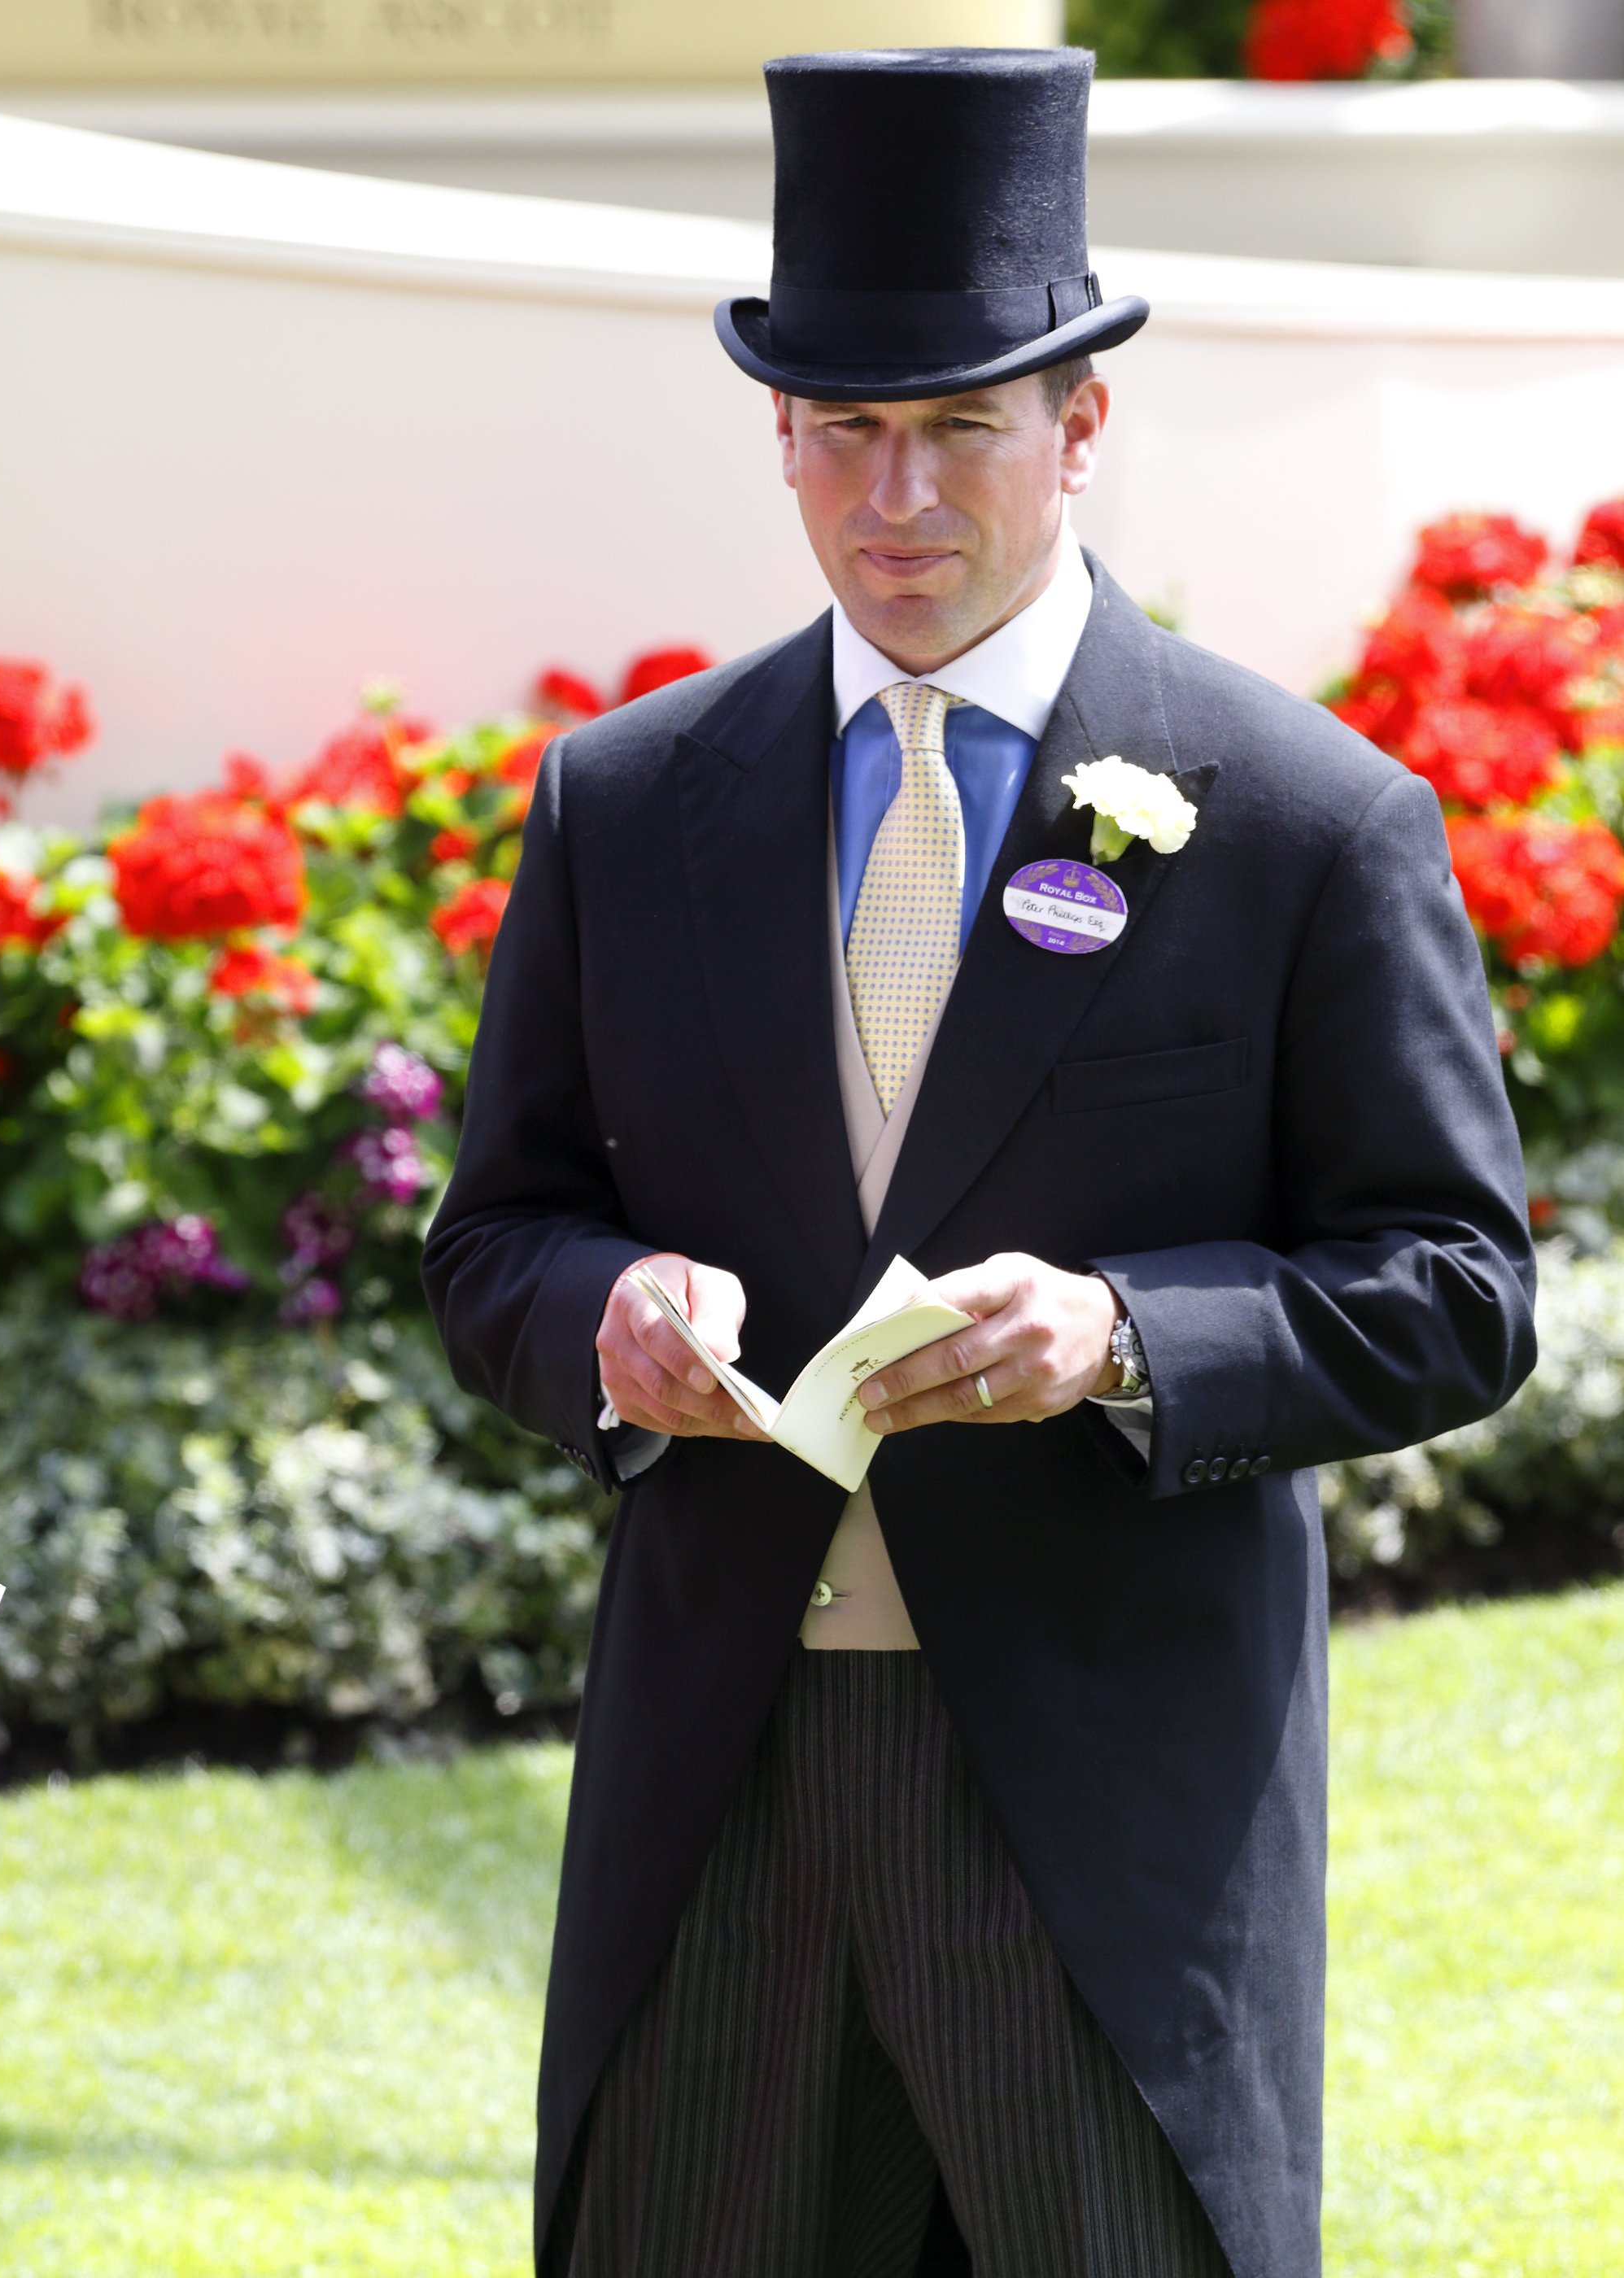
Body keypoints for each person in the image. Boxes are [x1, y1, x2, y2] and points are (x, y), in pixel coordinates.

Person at [424, 49, 1534, 2278]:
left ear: (1082, 424)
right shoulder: (627, 804)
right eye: (845, 431)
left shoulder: (1307, 816)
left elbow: (1454, 1286)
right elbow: (497, 1240)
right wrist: (600, 1322)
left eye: (958, 428)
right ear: (782, 437)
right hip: (718, 1778)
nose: (896, 495)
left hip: (1104, 1813)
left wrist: (1128, 1334)